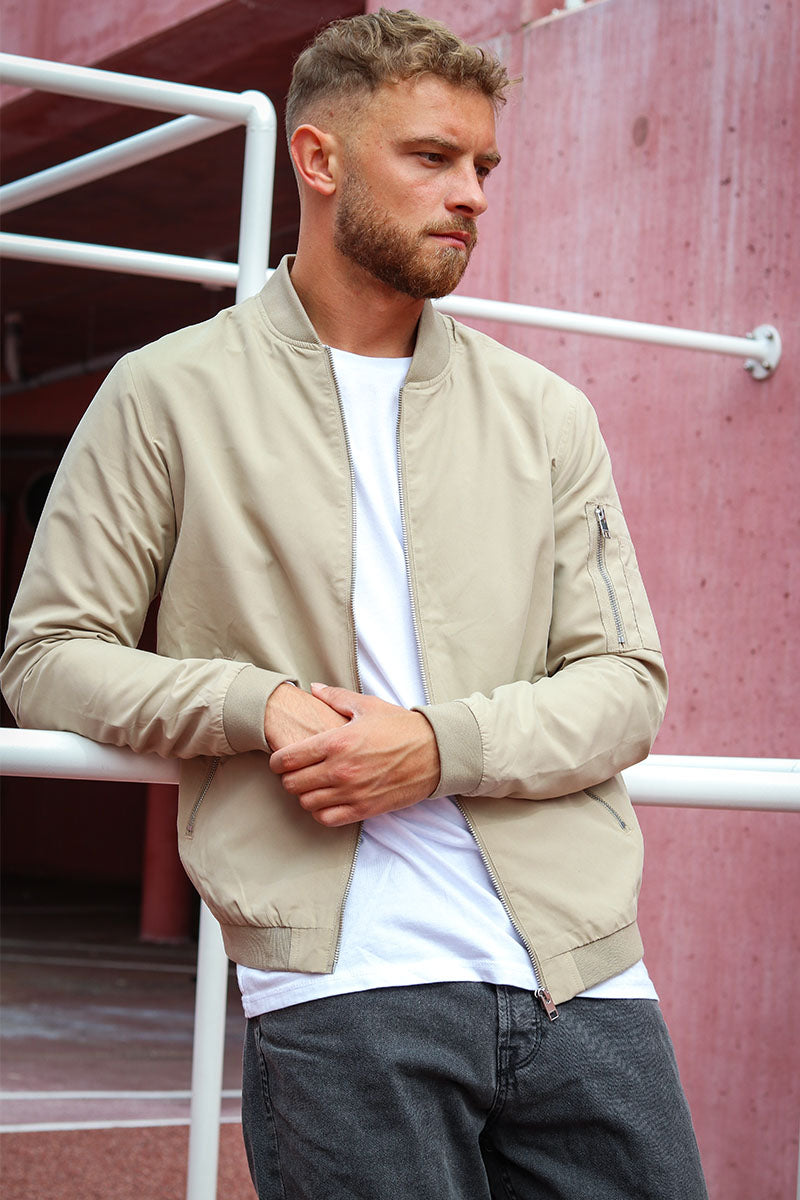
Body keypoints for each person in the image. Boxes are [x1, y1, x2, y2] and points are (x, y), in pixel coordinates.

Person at [0, 9, 709, 1198]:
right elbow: (48, 655)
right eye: (431, 156)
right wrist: (257, 703)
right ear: (317, 158)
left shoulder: (544, 415)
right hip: (344, 981)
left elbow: (624, 684)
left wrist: (434, 747)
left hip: (581, 976)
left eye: (482, 165)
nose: (469, 193)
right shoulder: (168, 392)